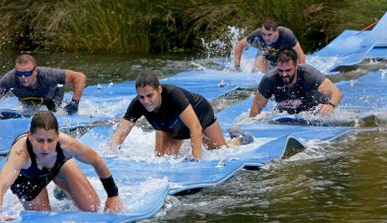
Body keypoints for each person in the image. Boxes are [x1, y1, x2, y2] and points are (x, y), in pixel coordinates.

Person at [0, 111, 122, 221]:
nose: (45, 147)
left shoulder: (67, 145)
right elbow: (0, 185)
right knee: (43, 220)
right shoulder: (20, 153)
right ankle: (27, 198)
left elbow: (96, 160)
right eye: (39, 140)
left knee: (92, 208)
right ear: (30, 135)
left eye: (50, 140)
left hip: (58, 168)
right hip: (27, 179)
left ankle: (62, 189)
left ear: (57, 136)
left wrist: (113, 195)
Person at [110, 71, 253, 161]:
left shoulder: (173, 95)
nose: (146, 101)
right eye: (141, 97)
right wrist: (111, 155)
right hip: (169, 124)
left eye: (150, 95)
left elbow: (195, 126)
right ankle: (197, 140)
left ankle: (238, 139)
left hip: (200, 115)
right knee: (163, 160)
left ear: (159, 89)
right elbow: (120, 135)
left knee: (220, 151)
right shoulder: (137, 104)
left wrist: (196, 161)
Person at [0, 54, 86, 119]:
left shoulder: (49, 74)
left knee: (51, 112)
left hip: (52, 98)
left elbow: (80, 77)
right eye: (19, 73)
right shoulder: (10, 78)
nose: (22, 77)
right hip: (29, 99)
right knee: (29, 111)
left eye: (27, 74)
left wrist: (75, 103)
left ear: (35, 71)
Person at [249, 48, 343, 117]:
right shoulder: (270, 78)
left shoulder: (308, 74)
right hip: (288, 111)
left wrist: (330, 105)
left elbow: (337, 92)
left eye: (288, 70)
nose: (284, 74)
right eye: (280, 70)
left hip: (314, 110)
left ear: (296, 66)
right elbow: (256, 107)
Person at [234, 18, 306, 73]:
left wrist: (299, 74)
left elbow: (301, 56)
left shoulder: (286, 35)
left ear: (276, 31)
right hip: (267, 55)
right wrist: (237, 65)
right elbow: (239, 45)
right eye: (264, 34)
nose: (266, 38)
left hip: (284, 56)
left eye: (269, 34)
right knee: (257, 71)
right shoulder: (258, 33)